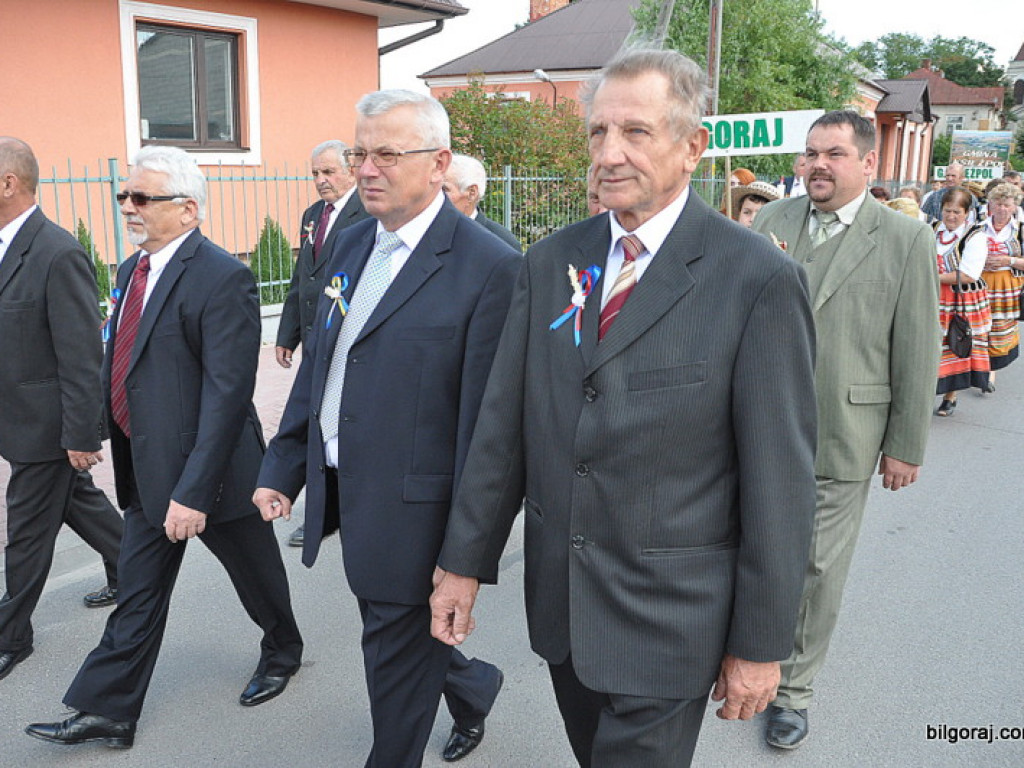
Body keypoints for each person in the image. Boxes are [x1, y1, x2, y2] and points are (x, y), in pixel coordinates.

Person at [430, 48, 818, 767]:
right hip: (563, 611)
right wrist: (462, 564)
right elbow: (503, 434)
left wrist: (761, 646)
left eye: (635, 132)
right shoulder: (550, 265)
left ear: (693, 147)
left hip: (672, 620)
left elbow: (780, 484)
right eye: (598, 133)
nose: (610, 154)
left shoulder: (756, 280)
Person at [253, 90, 520, 767]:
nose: (366, 170)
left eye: (386, 155)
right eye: (358, 153)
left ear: (439, 163)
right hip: (350, 489)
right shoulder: (348, 245)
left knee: (392, 660)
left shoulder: (488, 267)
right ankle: (473, 683)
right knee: (396, 628)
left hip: (420, 510)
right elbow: (324, 368)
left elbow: (490, 433)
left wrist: (464, 559)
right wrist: (284, 467)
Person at [25, 146, 303, 750]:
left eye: (142, 198)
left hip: (216, 472)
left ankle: (282, 651)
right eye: (125, 195)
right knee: (139, 591)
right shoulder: (131, 272)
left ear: (187, 209)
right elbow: (120, 366)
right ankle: (109, 710)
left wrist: (194, 492)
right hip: (148, 469)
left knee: (258, 581)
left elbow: (228, 396)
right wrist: (91, 429)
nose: (129, 207)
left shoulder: (223, 276)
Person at [752, 110, 940, 750]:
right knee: (752, 549)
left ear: (867, 163)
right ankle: (747, 659)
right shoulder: (769, 223)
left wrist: (905, 445)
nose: (818, 165)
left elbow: (917, 346)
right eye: (810, 154)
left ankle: (793, 692)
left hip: (844, 432)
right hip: (757, 428)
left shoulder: (904, 240)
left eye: (833, 153)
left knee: (817, 567)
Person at [0, 137, 124, 684]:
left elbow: (81, 355)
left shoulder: (56, 251)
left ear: (8, 183)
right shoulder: (6, 247)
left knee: (26, 528)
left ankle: (12, 635)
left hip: (46, 426)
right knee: (77, 503)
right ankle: (132, 568)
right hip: (15, 415)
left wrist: (82, 435)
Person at [276, 140, 369, 548]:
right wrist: (288, 334)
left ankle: (349, 507)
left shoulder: (365, 212)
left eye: (328, 172)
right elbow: (303, 278)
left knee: (344, 423)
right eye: (315, 173)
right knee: (315, 420)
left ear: (350, 170)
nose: (320, 180)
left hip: (347, 340)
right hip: (316, 339)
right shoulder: (313, 216)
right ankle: (322, 511)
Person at [933, 187, 992, 415]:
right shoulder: (933, 230)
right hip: (933, 296)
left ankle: (951, 395)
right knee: (929, 344)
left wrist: (929, 275)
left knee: (956, 342)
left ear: (967, 213)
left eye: (957, 212)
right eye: (947, 210)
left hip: (961, 299)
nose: (951, 216)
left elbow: (968, 274)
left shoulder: (975, 236)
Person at [977, 182, 1024, 389]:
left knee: (998, 329)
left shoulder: (1020, 230)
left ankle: (990, 372)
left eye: (1007, 204)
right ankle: (977, 370)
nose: (1002, 208)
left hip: (1007, 286)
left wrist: (1009, 261)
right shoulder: (977, 227)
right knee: (978, 327)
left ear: (1014, 206)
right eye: (998, 203)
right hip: (980, 284)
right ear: (990, 204)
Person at [443, 153, 522, 250]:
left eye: (444, 189)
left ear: (472, 193)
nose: (435, 195)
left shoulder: (501, 242)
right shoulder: (426, 231)